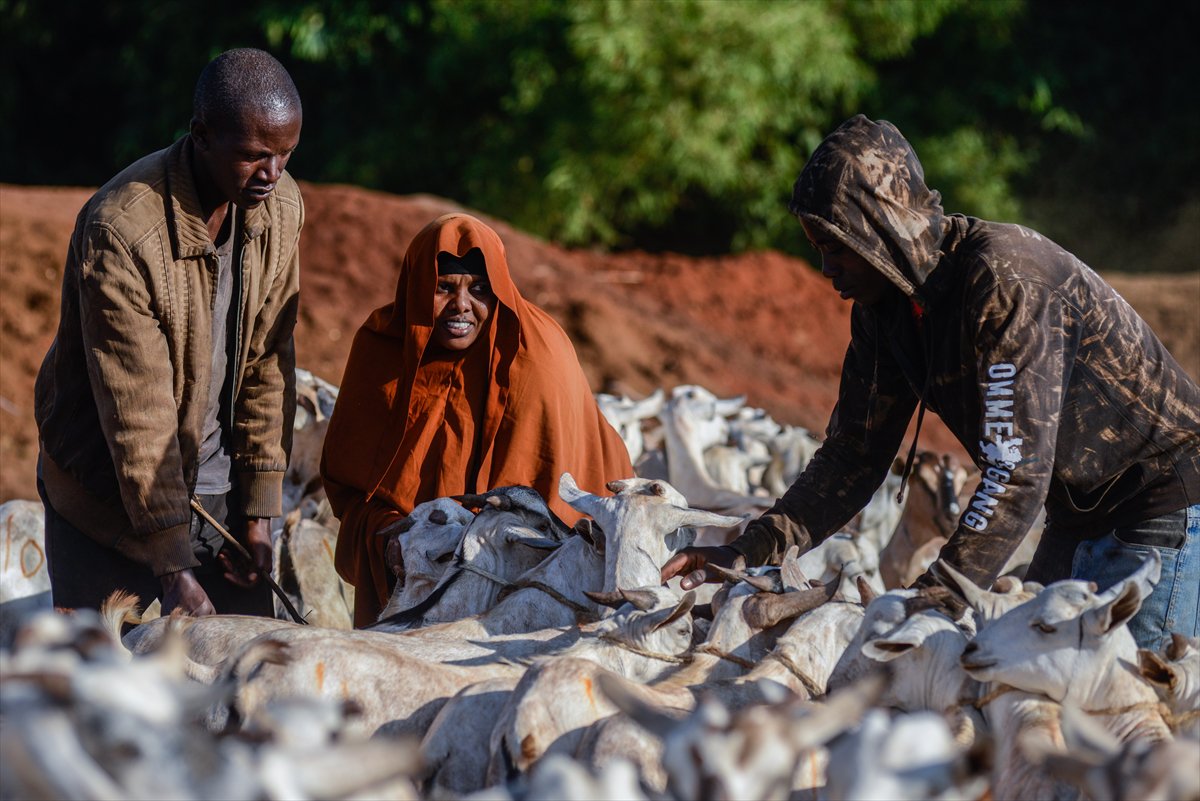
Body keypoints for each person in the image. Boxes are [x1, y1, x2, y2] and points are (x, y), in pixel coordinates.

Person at [661, 114, 1200, 649]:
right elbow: (853, 456)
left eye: (836, 247)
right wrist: (747, 552)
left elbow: (1013, 472)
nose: (827, 270)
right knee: (1023, 680)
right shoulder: (888, 311)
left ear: (881, 228)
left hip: (1158, 504)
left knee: (1127, 707)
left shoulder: (1002, 284)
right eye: (818, 249)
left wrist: (935, 600)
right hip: (1076, 512)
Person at [34, 48, 304, 618]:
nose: (272, 175)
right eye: (255, 156)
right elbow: (138, 413)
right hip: (107, 502)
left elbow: (266, 361)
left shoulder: (280, 209)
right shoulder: (122, 232)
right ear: (201, 136)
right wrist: (172, 566)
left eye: (285, 154)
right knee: (111, 692)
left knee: (239, 689)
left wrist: (258, 513)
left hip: (216, 493)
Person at [321, 213, 634, 626]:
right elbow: (352, 490)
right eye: (444, 288)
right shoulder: (383, 352)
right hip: (410, 579)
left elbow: (561, 499)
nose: (462, 306)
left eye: (480, 290)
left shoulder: (537, 357)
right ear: (416, 288)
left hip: (522, 591)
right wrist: (397, 537)